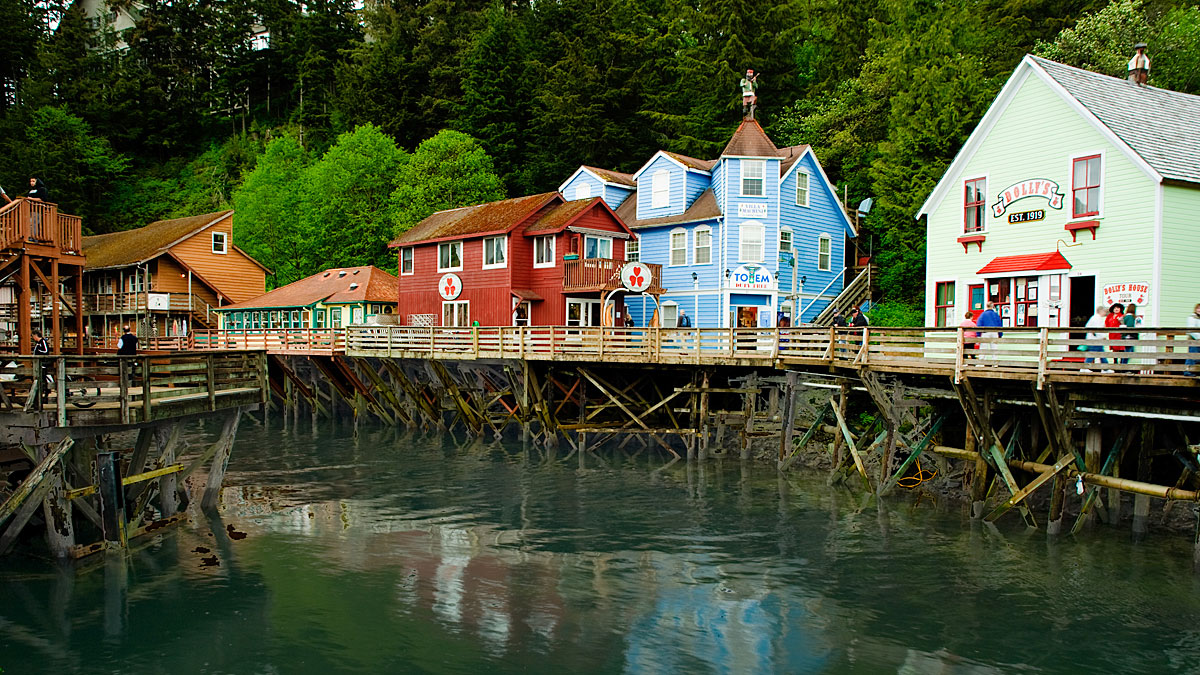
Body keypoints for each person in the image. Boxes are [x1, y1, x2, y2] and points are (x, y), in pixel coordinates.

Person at [1083, 305, 1109, 370]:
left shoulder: (1094, 318)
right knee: (1093, 354)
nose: (1105, 313)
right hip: (1095, 340)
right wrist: (1102, 337)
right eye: (1104, 311)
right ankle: (1084, 368)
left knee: (1101, 354)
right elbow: (1097, 330)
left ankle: (1105, 369)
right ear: (1101, 311)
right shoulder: (1097, 318)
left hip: (1094, 339)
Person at [1187, 303, 1200, 376]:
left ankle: (1195, 371)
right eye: (1198, 308)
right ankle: (1188, 372)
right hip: (1193, 341)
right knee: (1192, 356)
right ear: (1195, 309)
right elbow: (1191, 330)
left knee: (1197, 357)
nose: (1199, 310)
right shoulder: (1192, 317)